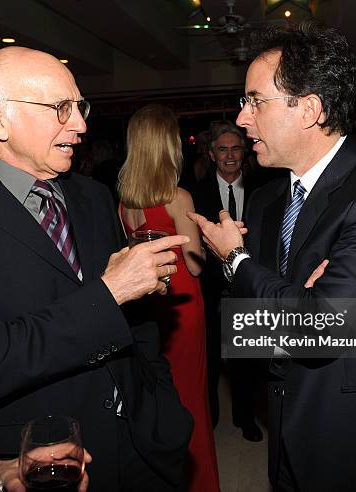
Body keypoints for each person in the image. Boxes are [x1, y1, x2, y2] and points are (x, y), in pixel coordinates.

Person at [0, 47, 193, 491]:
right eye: (60, 108)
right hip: (44, 458)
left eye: (79, 107)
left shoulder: (91, 196)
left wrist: (160, 396)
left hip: (143, 438)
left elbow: (139, 318)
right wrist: (107, 293)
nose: (81, 124)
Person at [189, 22, 356, 491]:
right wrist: (287, 297)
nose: (242, 119)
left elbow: (318, 330)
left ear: (310, 109)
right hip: (284, 425)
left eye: (255, 101)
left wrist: (238, 262)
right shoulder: (264, 201)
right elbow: (252, 324)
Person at [117, 104, 219, 492]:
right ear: (167, 146)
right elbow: (194, 266)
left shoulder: (125, 201)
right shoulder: (178, 197)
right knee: (192, 399)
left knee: (163, 396)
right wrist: (213, 242)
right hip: (184, 309)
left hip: (150, 308)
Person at [193, 120, 262, 441]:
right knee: (208, 358)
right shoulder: (195, 194)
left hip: (249, 287)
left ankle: (245, 418)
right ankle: (211, 417)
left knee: (246, 359)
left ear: (244, 151)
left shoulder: (263, 189)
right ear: (211, 154)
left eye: (235, 148)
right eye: (223, 149)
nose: (230, 155)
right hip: (209, 288)